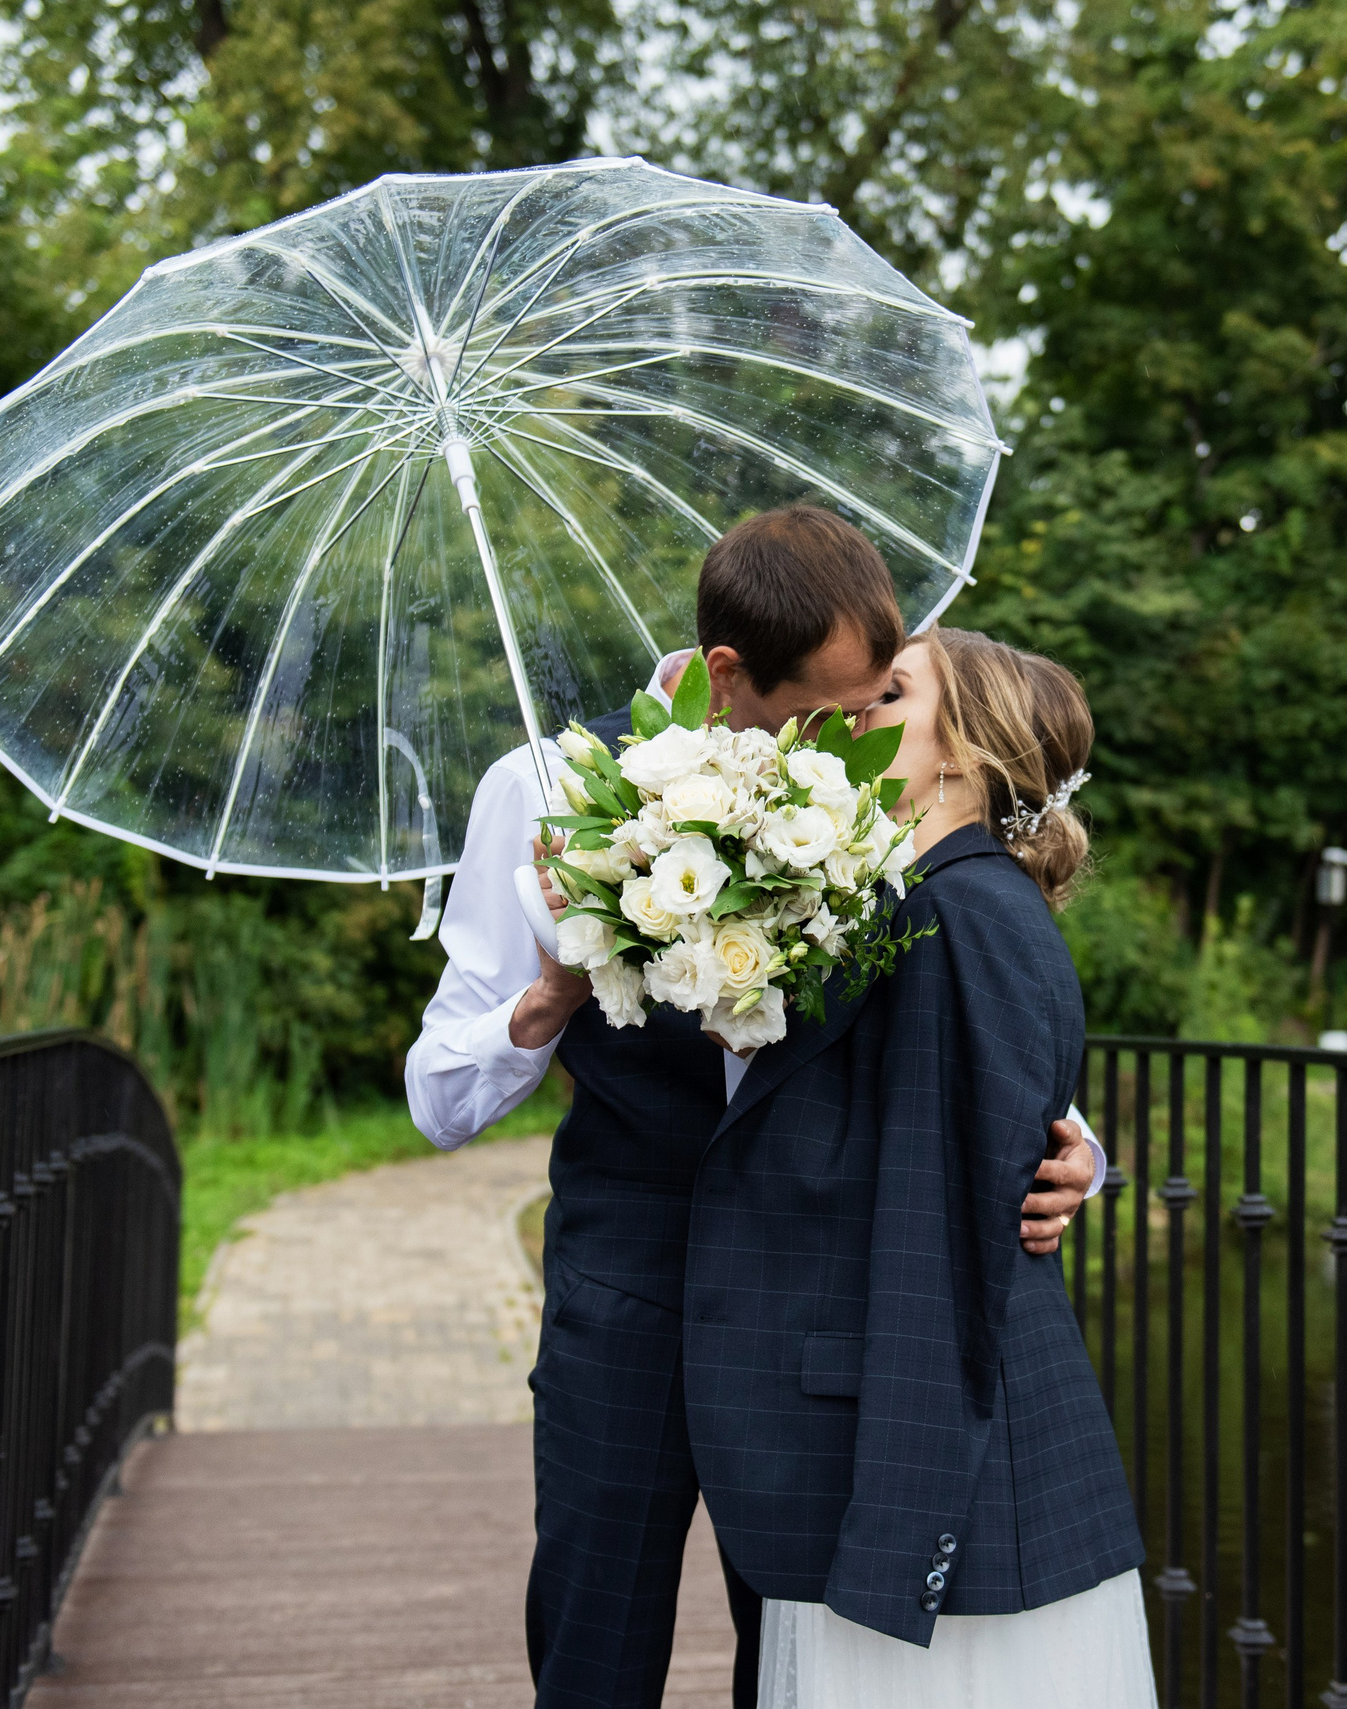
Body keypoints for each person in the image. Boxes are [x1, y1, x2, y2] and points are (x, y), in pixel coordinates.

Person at [404, 509, 1107, 1709]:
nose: (846, 736)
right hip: (629, 1280)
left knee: (795, 1650)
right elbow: (437, 1098)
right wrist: (551, 995)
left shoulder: (864, 800)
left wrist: (1075, 1142)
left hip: (813, 1302)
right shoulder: (540, 789)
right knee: (594, 1628)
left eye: (873, 699)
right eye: (824, 708)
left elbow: (959, 1015)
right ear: (728, 673)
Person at [687, 628, 1151, 1708]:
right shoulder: (919, 904)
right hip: (898, 1469)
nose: (855, 707)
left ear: (967, 751)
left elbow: (939, 1239)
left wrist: (895, 1534)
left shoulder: (958, 916)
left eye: (890, 693)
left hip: (938, 1499)